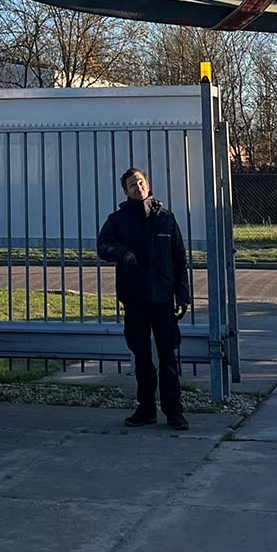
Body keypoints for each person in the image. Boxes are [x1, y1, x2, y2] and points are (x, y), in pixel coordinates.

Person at [96, 166, 192, 429]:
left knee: (168, 357)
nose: (137, 187)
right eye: (131, 185)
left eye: (140, 182)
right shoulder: (118, 220)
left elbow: (179, 258)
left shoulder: (166, 219)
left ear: (148, 185)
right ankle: (146, 409)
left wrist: (183, 295)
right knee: (142, 356)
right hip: (135, 298)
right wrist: (122, 253)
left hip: (163, 298)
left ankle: (174, 411)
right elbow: (102, 246)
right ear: (126, 192)